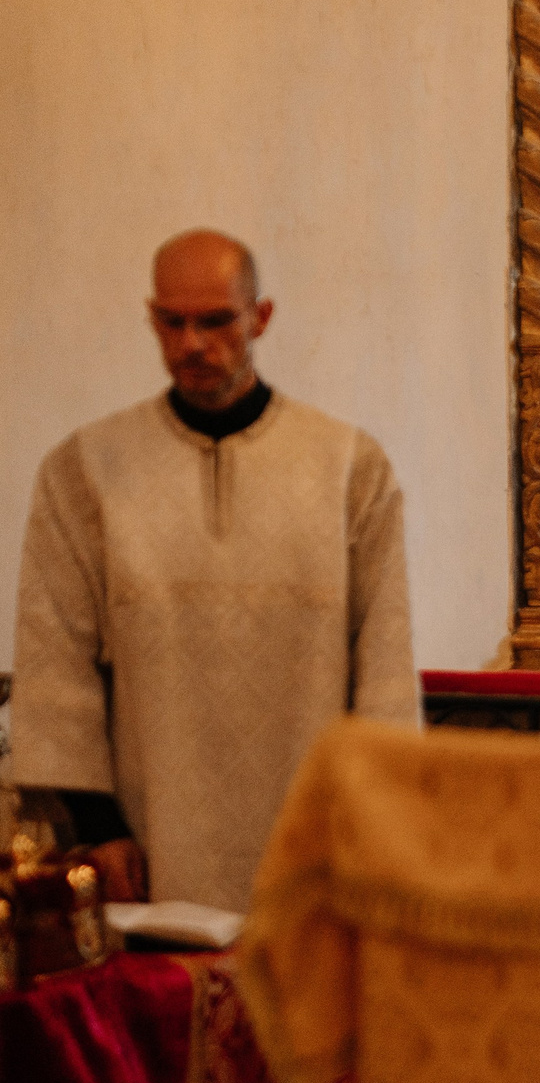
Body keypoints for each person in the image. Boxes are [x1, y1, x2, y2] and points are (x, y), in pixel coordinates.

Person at [11, 230, 417, 913]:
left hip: (312, 847)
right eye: (172, 321)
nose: (191, 342)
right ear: (152, 317)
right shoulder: (85, 471)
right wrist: (101, 830)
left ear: (260, 317)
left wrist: (369, 825)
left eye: (215, 320)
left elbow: (383, 666)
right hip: (147, 850)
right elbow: (56, 660)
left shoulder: (348, 467)